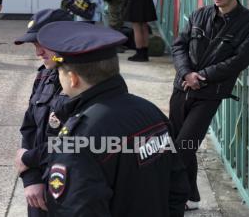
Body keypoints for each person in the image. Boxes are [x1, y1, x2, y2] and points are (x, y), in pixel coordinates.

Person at [38, 21, 189, 216]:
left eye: (59, 71)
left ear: (73, 78)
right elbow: (177, 186)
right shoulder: (150, 111)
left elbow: (76, 210)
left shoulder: (77, 139)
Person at [170, 0, 249, 211]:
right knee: (178, 143)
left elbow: (239, 60)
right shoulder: (198, 15)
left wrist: (201, 77)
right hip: (182, 87)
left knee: (183, 146)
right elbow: (179, 46)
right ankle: (191, 196)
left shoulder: (246, 22)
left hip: (209, 93)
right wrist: (187, 74)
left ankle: (171, 197)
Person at [13, 9, 72, 217]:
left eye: (42, 44)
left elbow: (81, 142)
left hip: (70, 188)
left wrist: (27, 158)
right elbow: (29, 128)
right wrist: (31, 179)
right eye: (34, 45)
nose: (38, 52)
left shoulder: (86, 81)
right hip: (39, 187)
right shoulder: (44, 76)